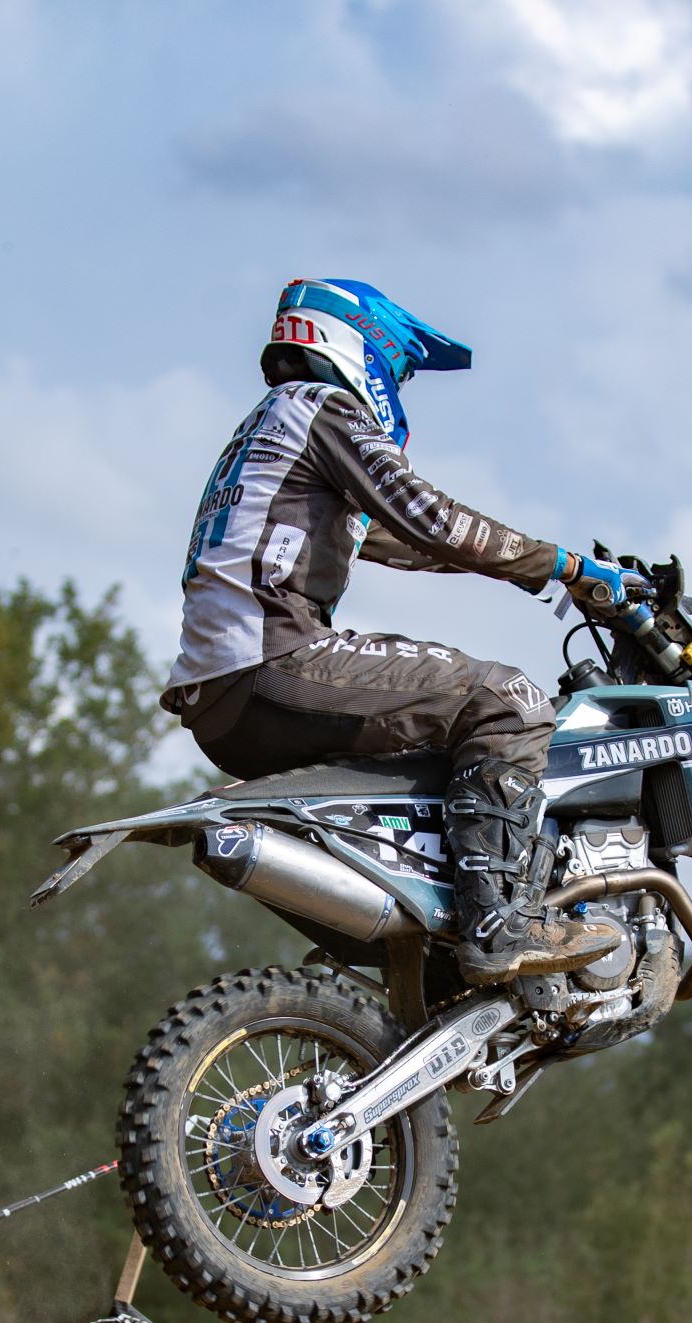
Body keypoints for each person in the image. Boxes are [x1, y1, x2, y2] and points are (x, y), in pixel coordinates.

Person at [163, 277, 639, 985]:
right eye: (403, 369)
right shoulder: (324, 408)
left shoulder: (271, 429)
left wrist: (553, 572)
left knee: (435, 739)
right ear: (364, 346)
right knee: (509, 699)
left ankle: (425, 942)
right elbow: (434, 520)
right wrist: (566, 566)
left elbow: (401, 540)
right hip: (273, 659)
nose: (401, 386)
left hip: (223, 694)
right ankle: (495, 926)